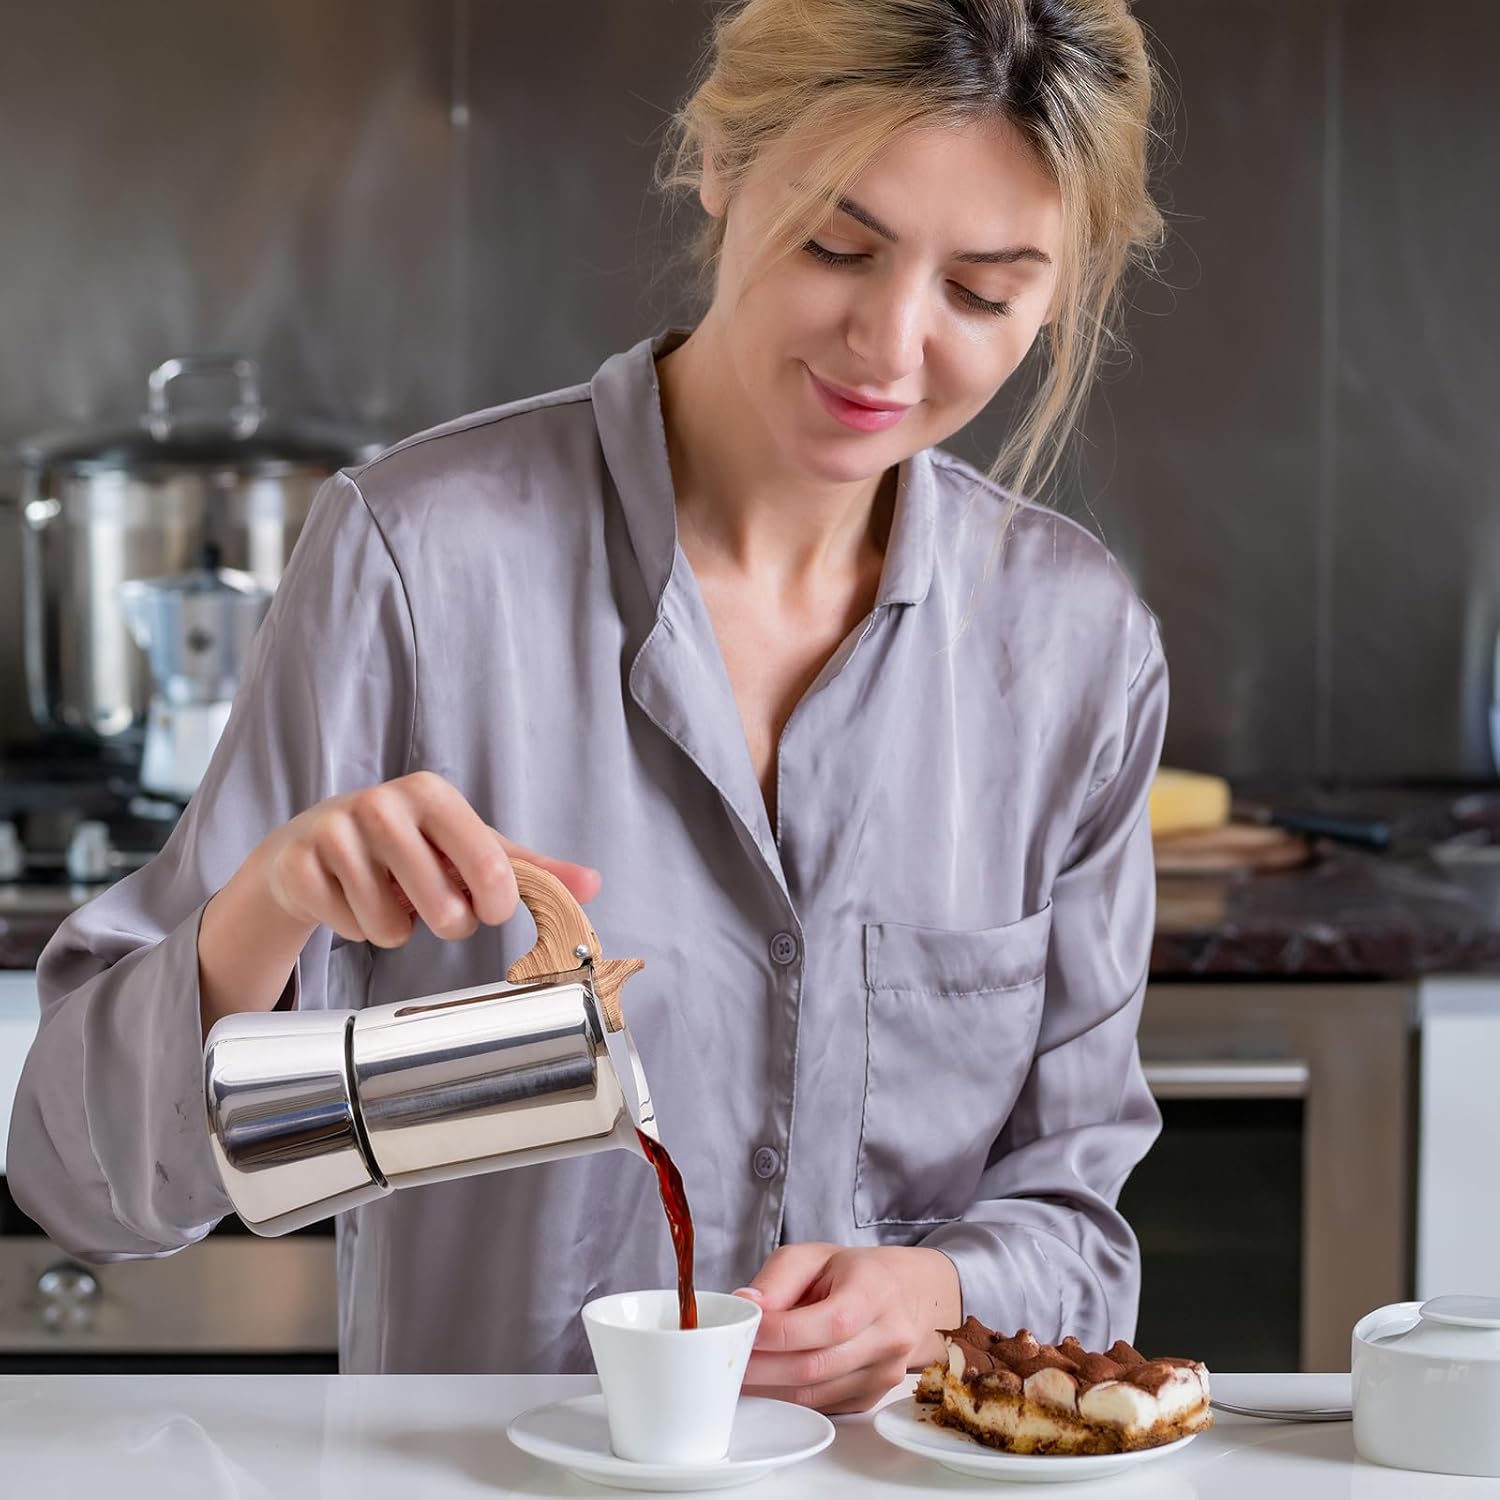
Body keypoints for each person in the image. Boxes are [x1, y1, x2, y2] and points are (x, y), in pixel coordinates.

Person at [10, 0, 1169, 1414]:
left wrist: (945, 1293)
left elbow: (1078, 1225)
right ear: (722, 166)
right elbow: (77, 1178)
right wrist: (267, 910)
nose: (890, 343)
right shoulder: (414, 560)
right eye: (837, 246)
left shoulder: (1075, 645)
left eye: (982, 294)